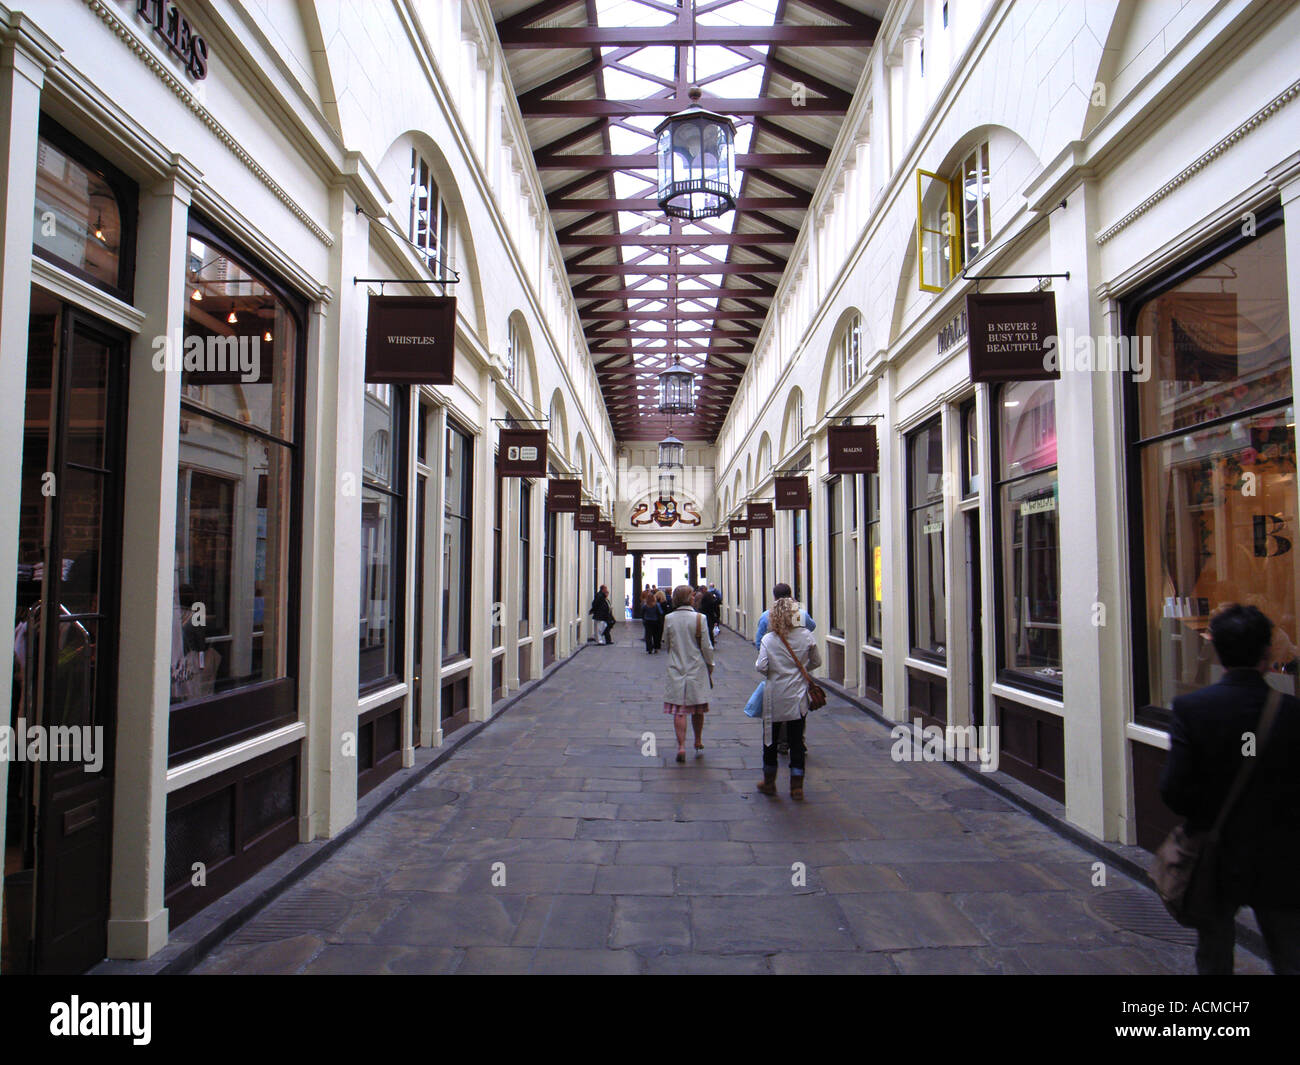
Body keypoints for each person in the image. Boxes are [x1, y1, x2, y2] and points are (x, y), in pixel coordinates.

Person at [1160, 603, 1300, 975]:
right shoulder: (1291, 712)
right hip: (1282, 855)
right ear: (1267, 654)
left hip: (1215, 854)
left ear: (1218, 653)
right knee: (1288, 952)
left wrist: (1209, 816)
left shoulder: (1193, 708)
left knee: (1214, 952)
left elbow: (1174, 790)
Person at [755, 596, 821, 800]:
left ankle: (769, 782)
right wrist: (800, 671)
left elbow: (761, 666)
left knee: (770, 741)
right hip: (798, 696)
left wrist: (777, 671)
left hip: (774, 695)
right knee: (796, 741)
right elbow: (816, 661)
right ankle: (796, 787)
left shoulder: (768, 639)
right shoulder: (806, 636)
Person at [753, 583, 816, 755]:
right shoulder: (801, 614)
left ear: (774, 596)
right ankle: (798, 742)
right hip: (798, 674)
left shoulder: (767, 616)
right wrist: (802, 665)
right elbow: (812, 628)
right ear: (791, 595)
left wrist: (769, 658)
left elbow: (759, 641)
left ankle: (781, 742)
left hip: (776, 673)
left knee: (778, 709)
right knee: (799, 709)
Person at [662, 584, 714, 763]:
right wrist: (710, 664)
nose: (694, 597)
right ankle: (698, 740)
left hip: (677, 667)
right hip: (696, 667)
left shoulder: (669, 618)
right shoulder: (700, 618)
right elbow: (706, 646)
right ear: (689, 598)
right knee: (698, 708)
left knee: (679, 710)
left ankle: (681, 746)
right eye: (692, 595)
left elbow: (666, 644)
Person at [641, 589, 663, 654]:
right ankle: (656, 648)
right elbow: (660, 612)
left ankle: (649, 648)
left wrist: (644, 619)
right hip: (656, 622)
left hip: (647, 621)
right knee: (656, 635)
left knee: (648, 636)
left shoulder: (645, 605)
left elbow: (642, 613)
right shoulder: (656, 605)